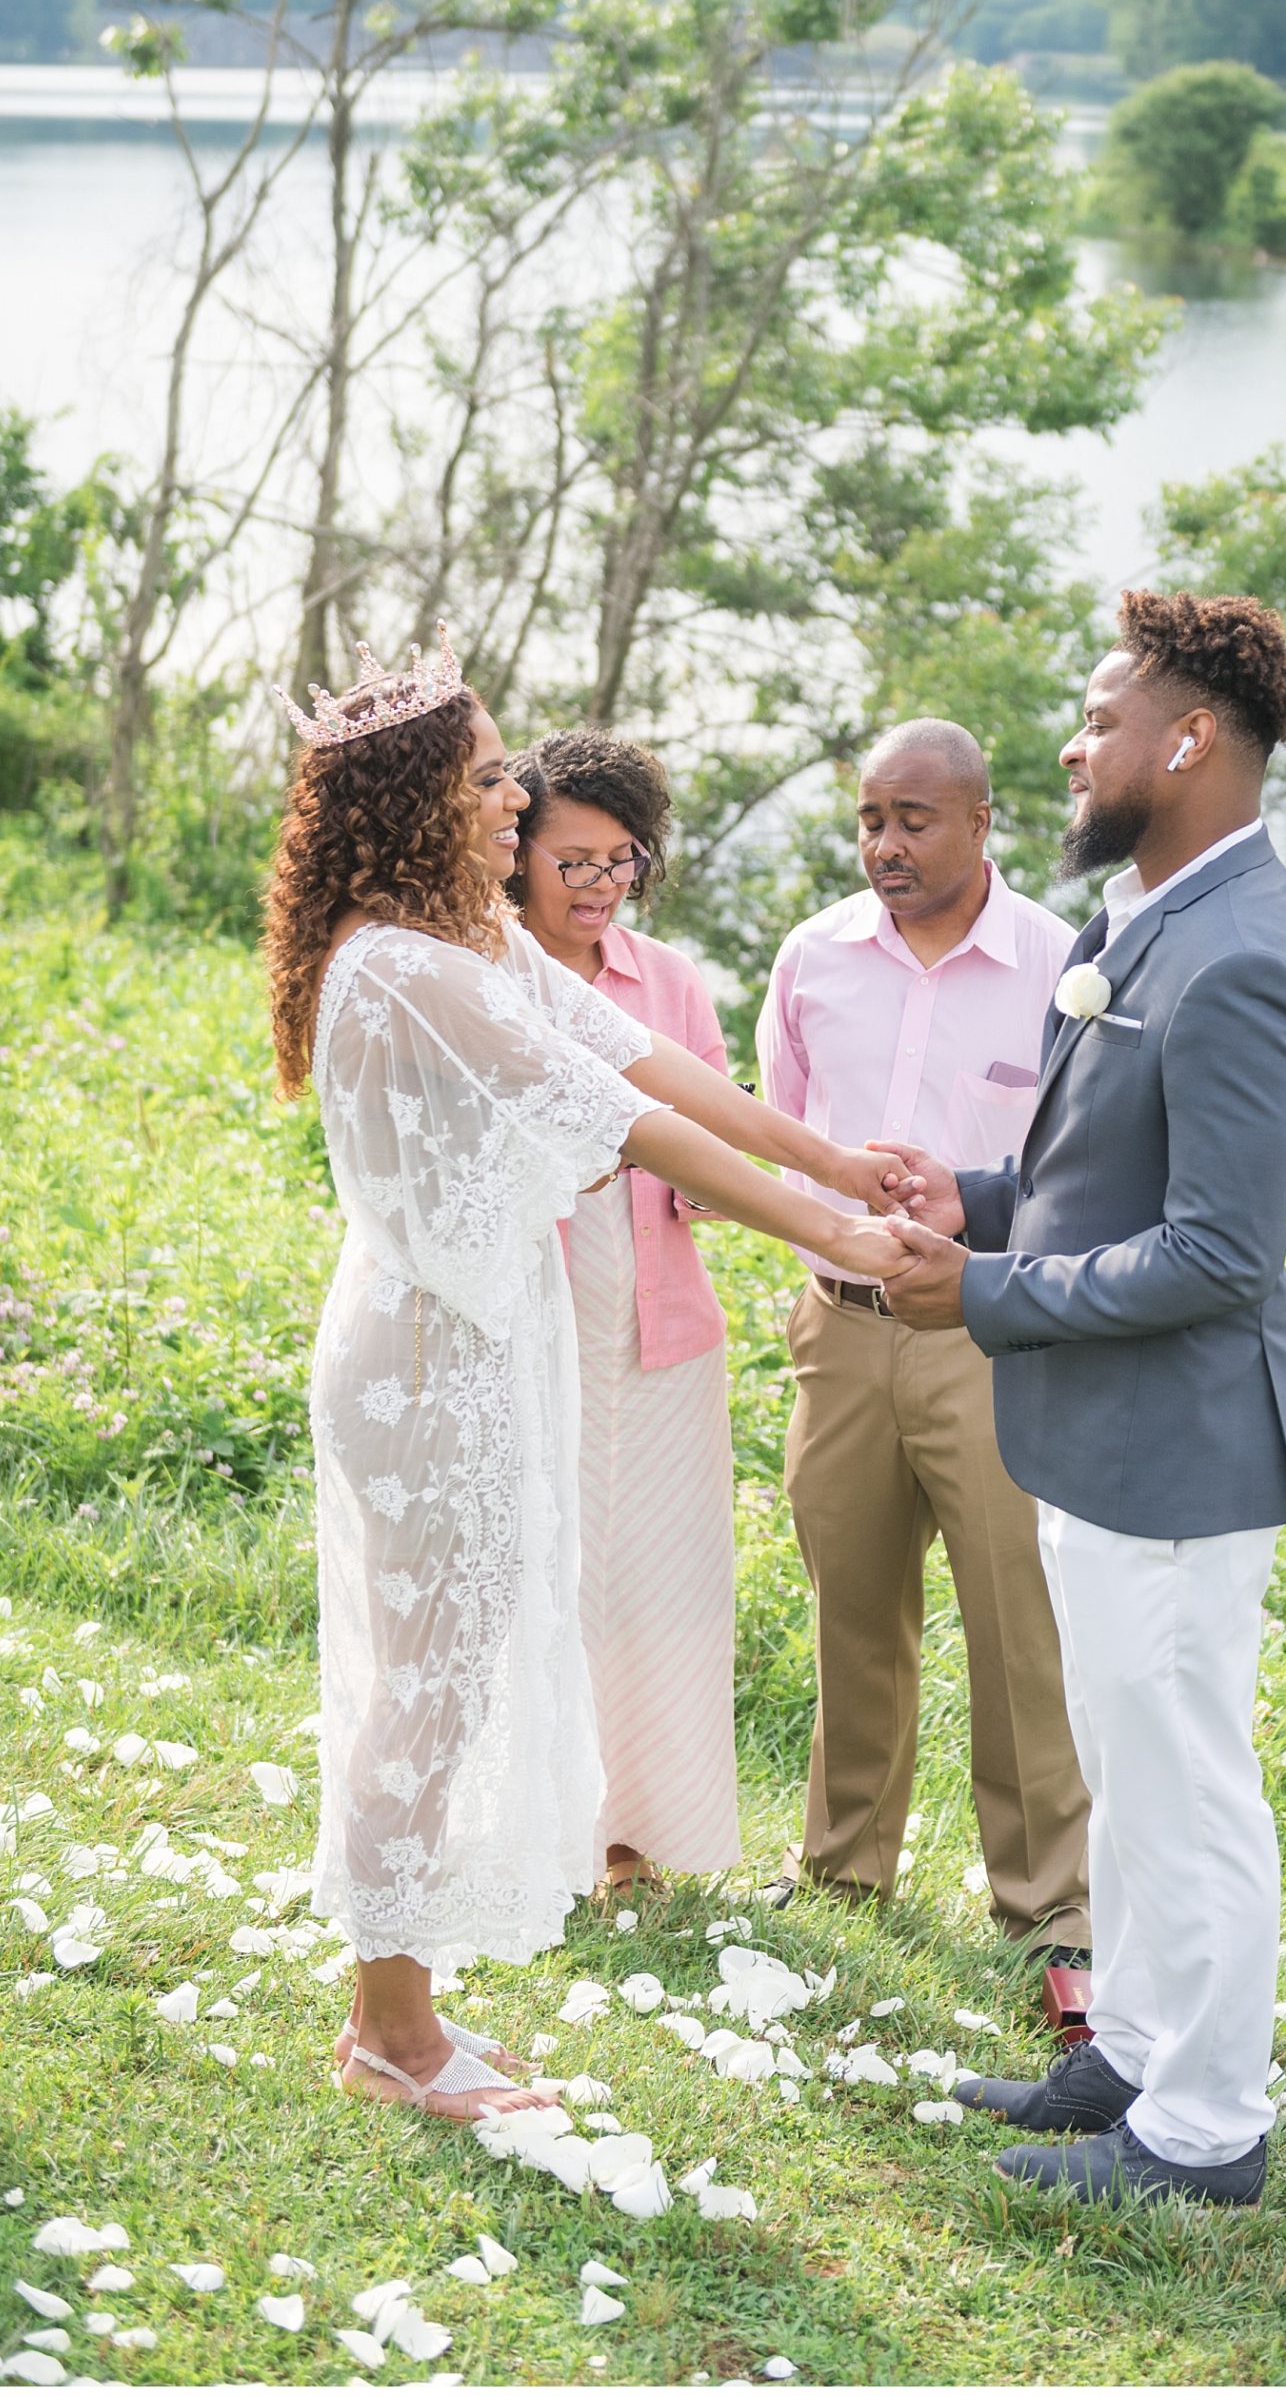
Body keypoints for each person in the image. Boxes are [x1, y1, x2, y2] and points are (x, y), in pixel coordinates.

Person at [263, 626, 914, 2126]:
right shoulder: (403, 968)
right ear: (417, 798)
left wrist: (828, 1159)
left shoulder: (467, 945)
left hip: (484, 1340)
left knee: (455, 1670)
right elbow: (621, 1123)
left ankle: (402, 2010)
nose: (515, 798)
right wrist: (830, 1234)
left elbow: (646, 1060)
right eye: (490, 777)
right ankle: (390, 2036)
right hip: (426, 1356)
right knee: (426, 1687)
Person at [879, 592, 1286, 2209]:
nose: (1073, 750)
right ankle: (1132, 2050)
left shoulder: (1243, 957)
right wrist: (959, 1202)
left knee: (1187, 1788)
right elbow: (1094, 1184)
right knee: (1126, 1774)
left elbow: (1215, 1255)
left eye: (1098, 721)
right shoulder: (1140, 920)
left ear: (1188, 739)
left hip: (1183, 1455)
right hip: (1100, 1441)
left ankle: (1204, 2131)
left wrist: (976, 1296)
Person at [756, 718, 1092, 1963]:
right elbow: (783, 1132)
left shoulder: (1062, 964)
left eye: (912, 820)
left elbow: (1082, 1164)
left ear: (980, 822)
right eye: (868, 819)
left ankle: (1049, 1906)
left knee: (1017, 1629)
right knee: (850, 1611)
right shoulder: (813, 957)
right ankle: (843, 1873)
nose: (884, 844)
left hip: (991, 1339)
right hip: (838, 1334)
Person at [505, 729, 740, 1901]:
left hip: (660, 1337)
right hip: (528, 1322)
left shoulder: (670, 982)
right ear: (515, 852)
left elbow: (715, 1151)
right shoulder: (483, 974)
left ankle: (638, 1839)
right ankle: (540, 1830)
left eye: (623, 860)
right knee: (544, 1573)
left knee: (657, 1587)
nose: (601, 885)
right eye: (574, 861)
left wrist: (691, 1166)